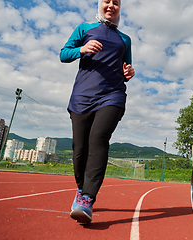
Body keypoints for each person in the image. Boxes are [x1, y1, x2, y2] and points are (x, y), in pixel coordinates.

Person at [60, 0, 135, 223]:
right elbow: (64, 54)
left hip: (112, 96)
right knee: (80, 148)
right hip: (82, 98)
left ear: (119, 8)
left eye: (116, 3)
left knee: (98, 138)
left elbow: (125, 69)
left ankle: (87, 198)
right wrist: (81, 49)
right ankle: (82, 189)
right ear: (100, 5)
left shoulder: (125, 39)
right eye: (107, 1)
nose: (111, 5)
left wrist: (128, 71)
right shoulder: (84, 29)